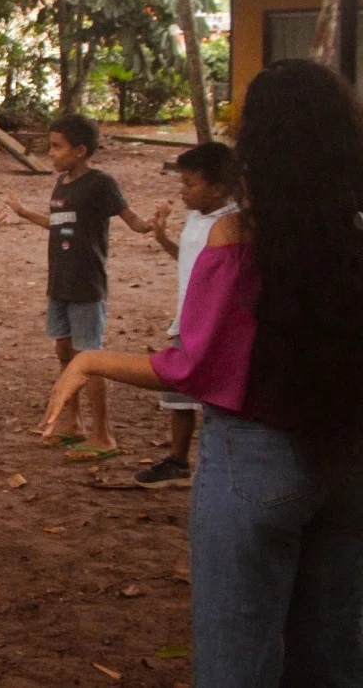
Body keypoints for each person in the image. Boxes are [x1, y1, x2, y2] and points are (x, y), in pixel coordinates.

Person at [40, 60, 363, 686]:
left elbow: (194, 366)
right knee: (335, 654)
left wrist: (90, 358)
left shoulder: (237, 238)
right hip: (349, 457)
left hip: (255, 461)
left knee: (237, 658)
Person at [7, 114, 151, 459]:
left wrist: (152, 227)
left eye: (57, 147)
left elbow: (132, 219)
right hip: (60, 282)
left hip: (86, 284)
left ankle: (104, 435)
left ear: (81, 150)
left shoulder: (101, 184)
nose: (50, 154)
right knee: (65, 353)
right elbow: (58, 224)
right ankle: (73, 423)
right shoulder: (63, 184)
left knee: (91, 358)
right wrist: (24, 212)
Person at [133, 141, 235, 489]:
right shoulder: (196, 218)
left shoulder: (231, 225)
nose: (183, 192)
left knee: (211, 399)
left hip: (212, 324)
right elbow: (190, 262)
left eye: (190, 184)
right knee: (178, 396)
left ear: (220, 188)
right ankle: (178, 459)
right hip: (187, 317)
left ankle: (214, 463)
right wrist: (162, 238)